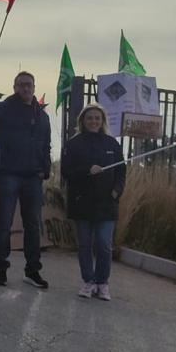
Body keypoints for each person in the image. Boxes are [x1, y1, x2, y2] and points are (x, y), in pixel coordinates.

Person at [0, 71, 52, 289]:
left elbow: (45, 145)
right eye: (21, 85)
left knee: (33, 225)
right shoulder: (3, 109)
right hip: (8, 173)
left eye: (29, 85)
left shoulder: (42, 116)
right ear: (14, 87)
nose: (26, 88)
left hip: (33, 177)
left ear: (34, 87)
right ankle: (0, 269)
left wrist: (44, 170)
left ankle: (32, 270)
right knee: (4, 223)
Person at [61, 103, 126, 300]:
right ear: (83, 120)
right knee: (85, 245)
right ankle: (88, 281)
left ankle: (102, 283)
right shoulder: (73, 144)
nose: (93, 121)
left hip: (106, 203)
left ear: (103, 121)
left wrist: (116, 192)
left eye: (97, 118)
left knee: (104, 244)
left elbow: (121, 171)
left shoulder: (112, 144)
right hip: (82, 202)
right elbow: (67, 172)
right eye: (90, 118)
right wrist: (87, 171)